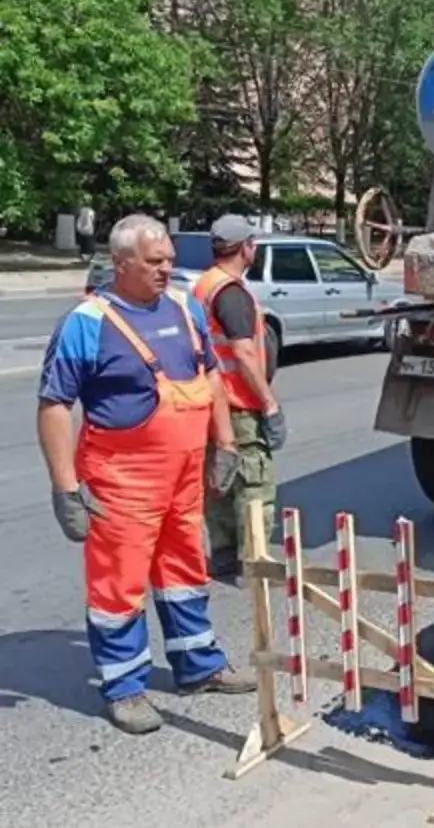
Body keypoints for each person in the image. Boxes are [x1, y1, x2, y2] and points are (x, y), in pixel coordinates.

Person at [36, 213, 256, 735]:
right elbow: (53, 405)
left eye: (170, 260)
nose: (167, 270)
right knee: (119, 585)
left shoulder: (183, 306)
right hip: (122, 478)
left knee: (185, 570)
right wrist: (65, 487)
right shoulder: (87, 322)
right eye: (154, 262)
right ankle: (125, 686)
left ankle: (198, 664)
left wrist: (223, 442)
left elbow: (209, 375)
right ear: (120, 263)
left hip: (182, 475)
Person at [192, 215, 286, 579]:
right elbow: (244, 354)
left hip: (212, 403)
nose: (255, 249)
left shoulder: (204, 285)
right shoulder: (231, 293)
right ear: (245, 247)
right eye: (254, 243)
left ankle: (225, 553)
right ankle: (255, 561)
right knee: (254, 481)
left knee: (220, 478)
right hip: (238, 404)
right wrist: (269, 402)